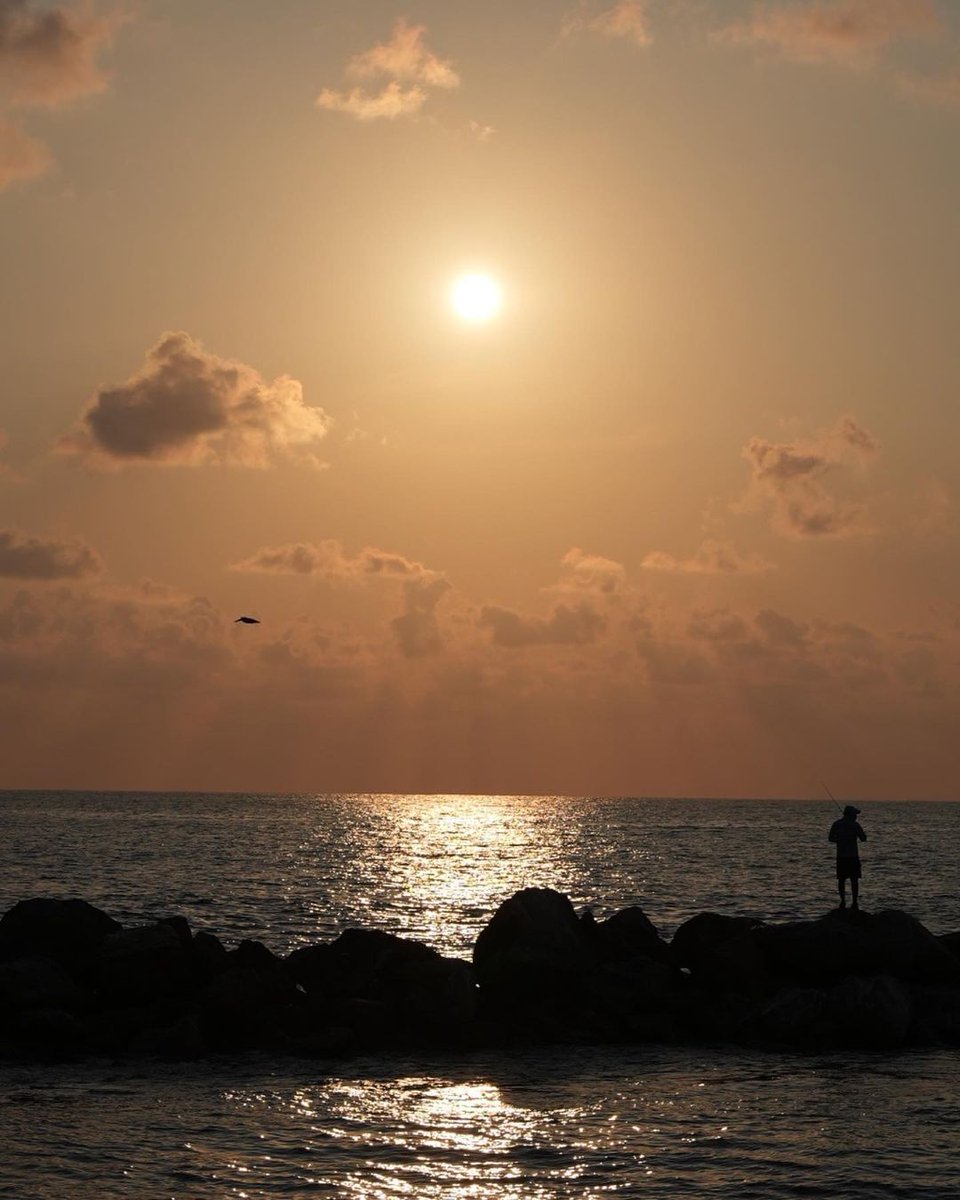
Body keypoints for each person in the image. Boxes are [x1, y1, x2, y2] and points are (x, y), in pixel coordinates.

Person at [828, 804, 867, 910]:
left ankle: (843, 901)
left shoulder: (837, 824)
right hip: (853, 856)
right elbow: (863, 838)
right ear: (850, 815)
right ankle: (854, 902)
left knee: (841, 880)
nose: (856, 816)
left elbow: (830, 838)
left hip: (841, 857)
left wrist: (840, 840)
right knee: (854, 880)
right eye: (855, 814)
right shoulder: (855, 825)